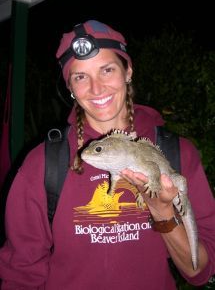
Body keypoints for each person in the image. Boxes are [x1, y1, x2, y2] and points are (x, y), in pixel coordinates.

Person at [0, 19, 214, 290]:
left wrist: (162, 212)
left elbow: (200, 273)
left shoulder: (177, 152)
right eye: (80, 77)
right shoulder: (42, 164)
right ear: (70, 88)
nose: (97, 89)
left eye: (107, 70)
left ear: (128, 72)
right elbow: (21, 275)